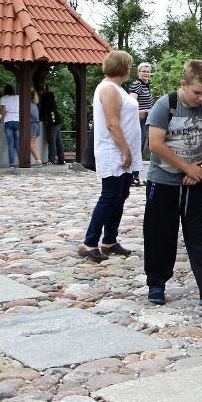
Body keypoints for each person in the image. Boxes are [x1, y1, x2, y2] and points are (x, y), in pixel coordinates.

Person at [143, 59, 202, 308]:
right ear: (183, 85)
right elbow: (155, 144)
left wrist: (201, 167)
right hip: (163, 182)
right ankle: (156, 284)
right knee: (160, 233)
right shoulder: (165, 106)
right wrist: (187, 168)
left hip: (196, 183)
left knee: (201, 235)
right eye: (197, 92)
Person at [78, 50, 142, 263]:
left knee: (120, 195)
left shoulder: (117, 89)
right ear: (122, 67)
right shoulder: (108, 89)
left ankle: (110, 240)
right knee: (109, 196)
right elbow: (112, 123)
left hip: (123, 151)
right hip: (114, 151)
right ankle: (89, 242)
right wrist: (125, 149)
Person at [128, 62, 154, 184]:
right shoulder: (137, 85)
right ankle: (133, 175)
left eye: (148, 71)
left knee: (141, 146)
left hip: (145, 120)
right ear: (138, 73)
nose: (146, 73)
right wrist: (143, 112)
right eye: (144, 71)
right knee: (137, 146)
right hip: (139, 120)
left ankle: (135, 175)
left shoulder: (145, 86)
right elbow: (131, 102)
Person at [40, 90, 65, 165]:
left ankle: (51, 159)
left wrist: (41, 116)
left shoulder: (45, 100)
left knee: (52, 140)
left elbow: (43, 111)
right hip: (57, 121)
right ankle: (61, 158)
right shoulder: (52, 100)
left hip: (51, 122)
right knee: (58, 140)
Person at [0, 84, 20, 168]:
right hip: (17, 120)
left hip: (8, 121)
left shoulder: (3, 98)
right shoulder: (18, 97)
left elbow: (4, 111)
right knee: (18, 143)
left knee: (10, 144)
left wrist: (2, 119)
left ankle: (11, 163)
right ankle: (21, 160)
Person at [29, 90, 43, 166]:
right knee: (33, 144)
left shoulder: (29, 105)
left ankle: (38, 161)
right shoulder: (34, 105)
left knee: (30, 144)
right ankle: (38, 160)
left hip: (32, 125)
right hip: (36, 125)